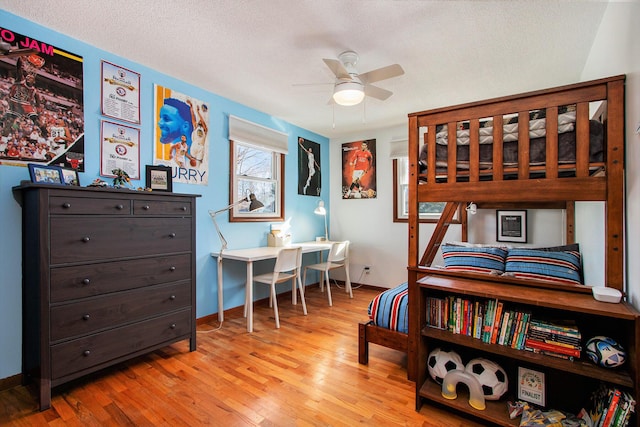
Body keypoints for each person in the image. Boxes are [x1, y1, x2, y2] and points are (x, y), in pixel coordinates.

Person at [186, 99, 208, 167]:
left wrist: (198, 112)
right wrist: (191, 107)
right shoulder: (196, 127)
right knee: (192, 162)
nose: (200, 121)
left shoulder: (204, 129)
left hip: (201, 146)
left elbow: (203, 122)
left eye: (201, 121)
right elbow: (193, 117)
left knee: (199, 164)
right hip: (194, 144)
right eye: (199, 121)